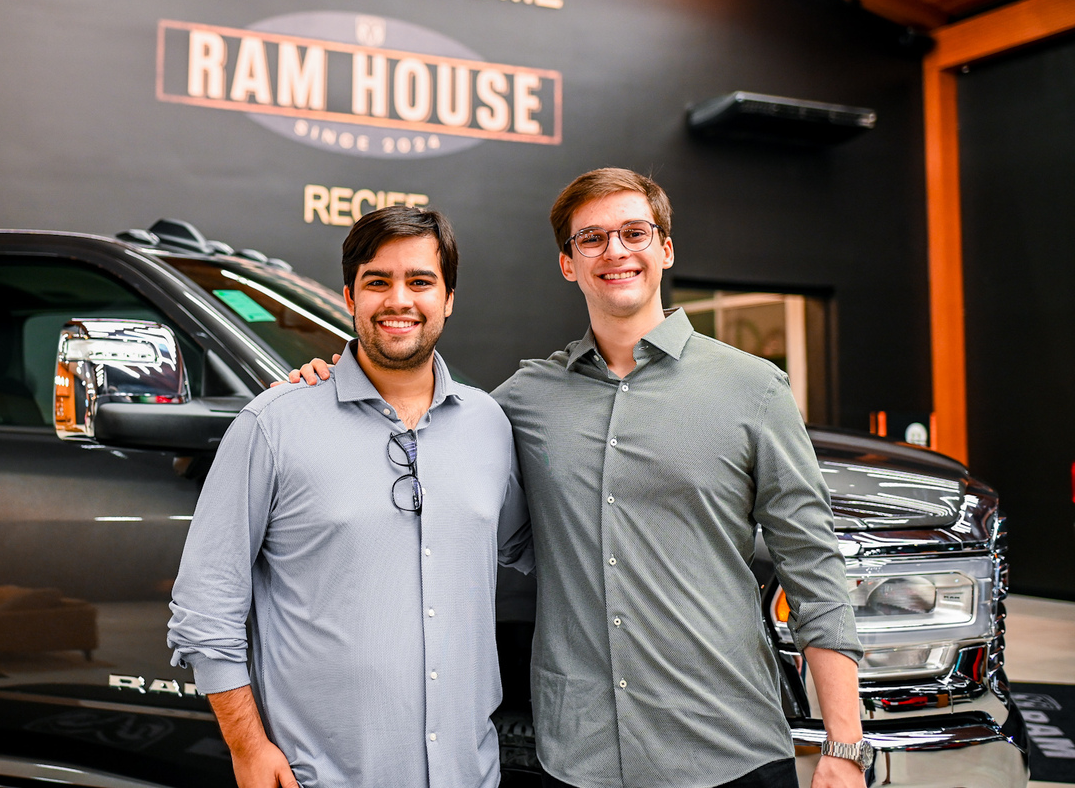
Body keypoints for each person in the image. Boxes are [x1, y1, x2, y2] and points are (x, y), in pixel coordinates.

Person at [285, 169, 873, 788]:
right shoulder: (522, 402)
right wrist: (329, 383)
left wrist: (845, 742)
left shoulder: (753, 388)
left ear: (665, 249)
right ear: (568, 263)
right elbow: (416, 417)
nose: (615, 252)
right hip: (579, 758)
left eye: (633, 233)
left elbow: (812, 566)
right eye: (591, 239)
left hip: (728, 749)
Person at [167, 205, 532, 788]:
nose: (399, 300)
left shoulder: (491, 425)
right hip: (321, 777)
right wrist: (247, 747)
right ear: (349, 296)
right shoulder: (273, 425)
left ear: (449, 298)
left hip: (470, 772)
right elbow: (206, 608)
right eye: (377, 282)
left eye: (420, 281)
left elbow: (534, 550)